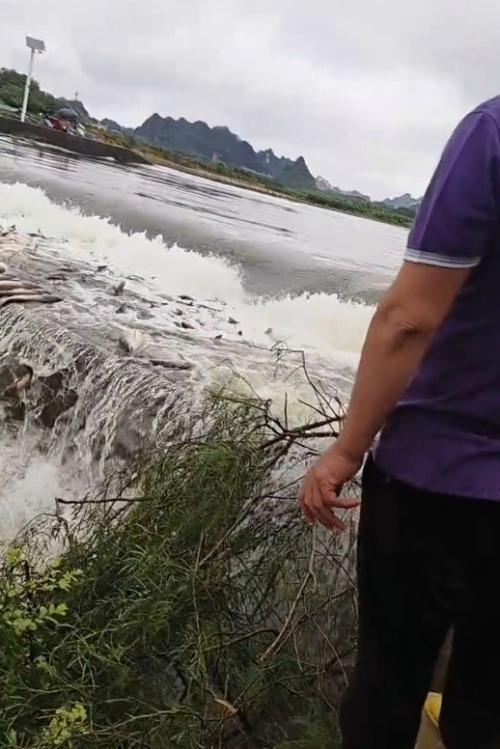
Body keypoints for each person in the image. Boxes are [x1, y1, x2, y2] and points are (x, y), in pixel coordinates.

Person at [300, 97, 500, 749]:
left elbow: (408, 319)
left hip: (433, 480)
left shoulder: (492, 133)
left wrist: (344, 452)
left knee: (388, 687)